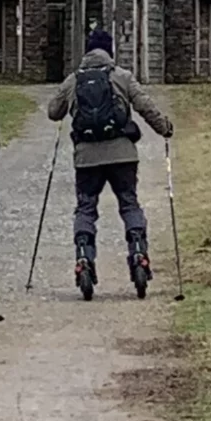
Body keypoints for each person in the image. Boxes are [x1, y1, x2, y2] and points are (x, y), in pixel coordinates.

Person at [47, 28, 173, 296]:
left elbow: (52, 112)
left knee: (86, 208)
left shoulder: (73, 80)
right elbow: (145, 106)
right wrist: (164, 128)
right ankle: (138, 253)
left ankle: (84, 257)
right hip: (123, 155)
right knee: (129, 204)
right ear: (110, 52)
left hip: (86, 158)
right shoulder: (122, 76)